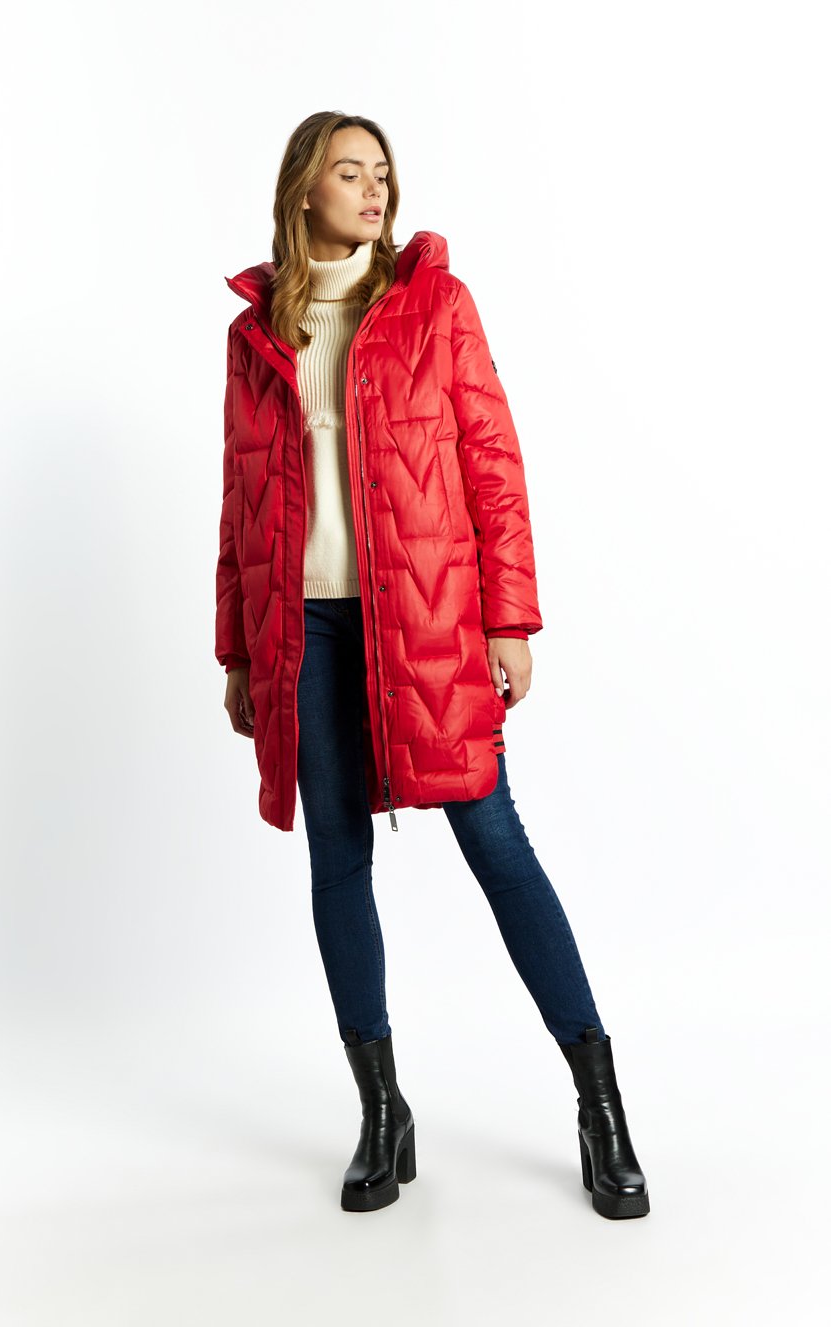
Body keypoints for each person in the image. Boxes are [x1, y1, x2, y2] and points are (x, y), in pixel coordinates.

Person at [216, 111, 649, 1221]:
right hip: (305, 632)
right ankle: (382, 1111)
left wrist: (511, 619)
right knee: (336, 863)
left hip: (427, 620)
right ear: (303, 191)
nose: (373, 189)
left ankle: (600, 1103)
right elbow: (241, 501)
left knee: (497, 844)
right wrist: (239, 650)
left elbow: (494, 463)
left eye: (382, 172)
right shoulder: (257, 331)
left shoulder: (434, 305)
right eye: (348, 172)